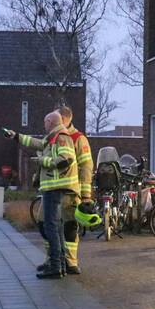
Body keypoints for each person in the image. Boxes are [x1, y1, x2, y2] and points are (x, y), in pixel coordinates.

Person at [3, 111, 79, 278]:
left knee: (51, 226)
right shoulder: (53, 137)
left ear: (51, 122)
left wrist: (42, 161)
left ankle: (56, 267)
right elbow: (35, 143)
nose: (44, 126)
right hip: (54, 188)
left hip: (56, 187)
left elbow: (66, 159)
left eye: (45, 122)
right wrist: (16, 136)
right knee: (54, 226)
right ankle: (59, 265)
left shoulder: (61, 137)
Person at [55, 104, 93, 274]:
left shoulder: (78, 139)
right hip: (52, 191)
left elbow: (86, 166)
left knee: (70, 226)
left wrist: (86, 195)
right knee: (46, 225)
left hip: (70, 192)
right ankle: (53, 260)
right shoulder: (54, 136)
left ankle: (70, 262)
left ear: (64, 119)